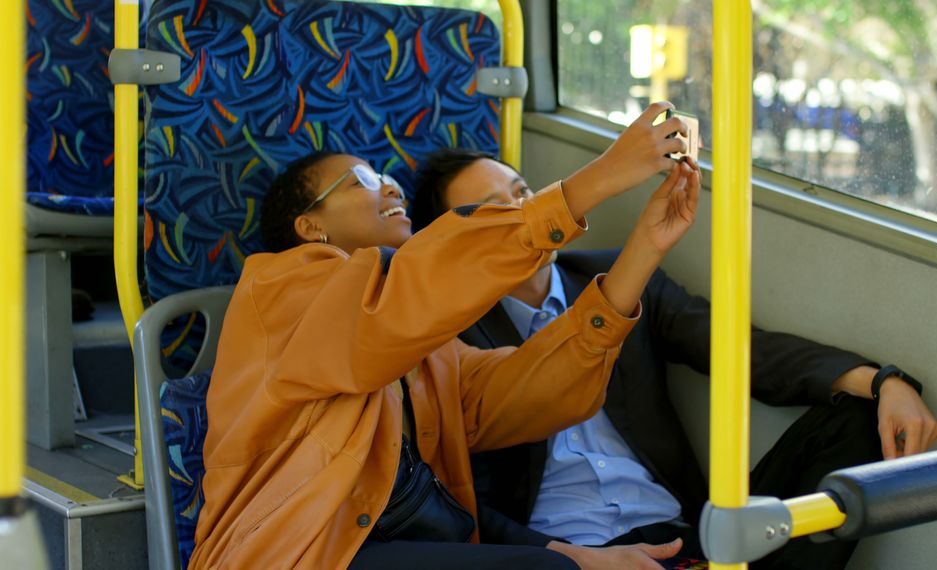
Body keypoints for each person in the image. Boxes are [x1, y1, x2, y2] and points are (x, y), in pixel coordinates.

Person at [189, 103, 706, 569]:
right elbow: (399, 303)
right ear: (309, 227)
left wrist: (643, 250)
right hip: (296, 551)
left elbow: (536, 391)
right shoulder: (278, 288)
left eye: (386, 176)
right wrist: (602, 177)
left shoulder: (436, 349)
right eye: (360, 182)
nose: (389, 186)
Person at [410, 148, 937, 569]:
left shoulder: (616, 275)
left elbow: (740, 349)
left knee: (853, 418)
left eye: (525, 193)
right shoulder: (442, 340)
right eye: (498, 209)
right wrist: (569, 560)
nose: (525, 213)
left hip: (685, 534)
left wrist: (881, 382)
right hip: (567, 552)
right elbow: (454, 497)